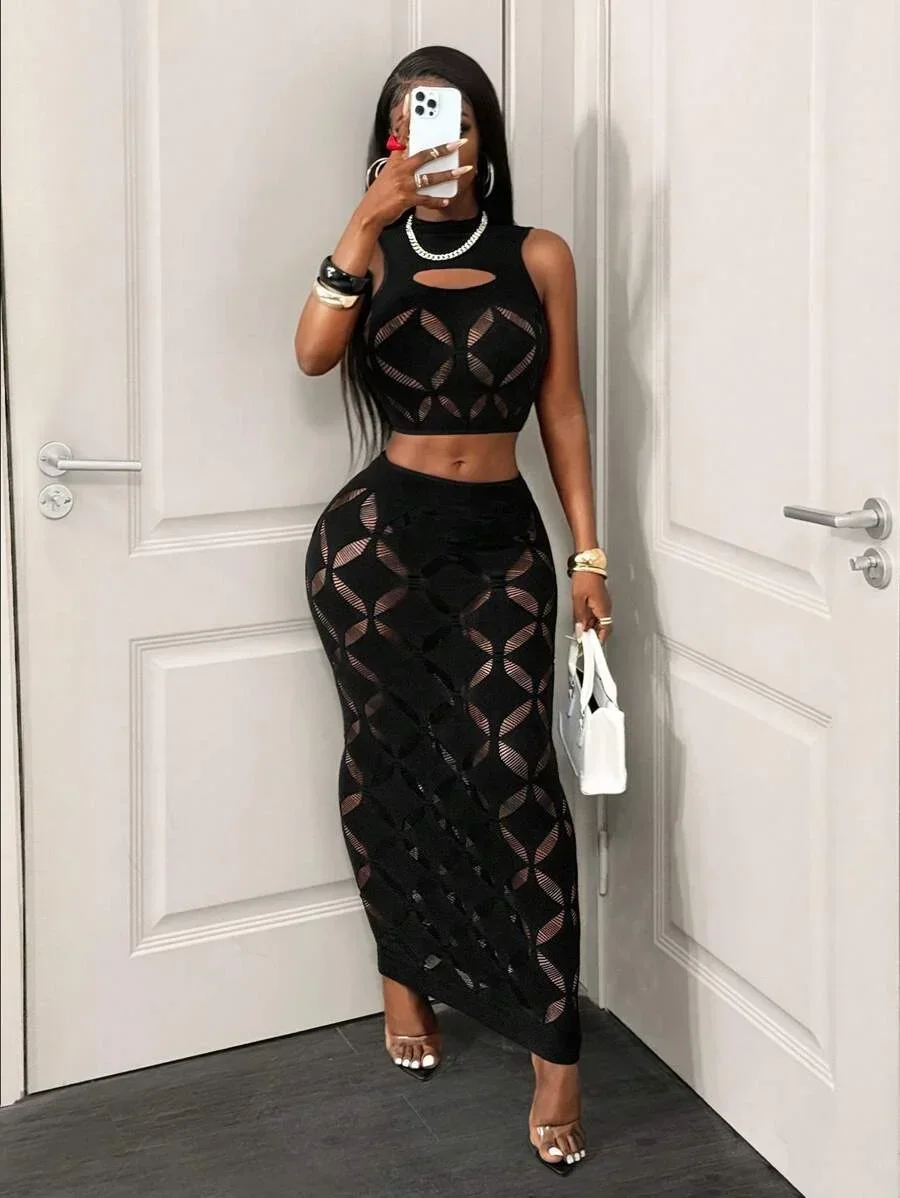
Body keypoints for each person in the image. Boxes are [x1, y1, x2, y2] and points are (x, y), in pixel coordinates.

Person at [296, 45, 611, 1176]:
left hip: (500, 549)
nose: (440, 139)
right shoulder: (372, 249)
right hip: (375, 552)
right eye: (415, 121)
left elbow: (562, 409)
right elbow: (312, 353)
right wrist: (365, 216)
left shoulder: (540, 255)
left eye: (457, 120)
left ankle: (555, 1045)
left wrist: (589, 552)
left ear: (484, 138)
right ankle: (404, 973)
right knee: (388, 764)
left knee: (515, 773)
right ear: (391, 140)